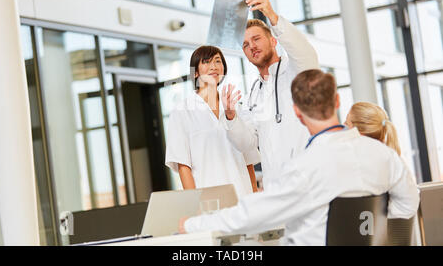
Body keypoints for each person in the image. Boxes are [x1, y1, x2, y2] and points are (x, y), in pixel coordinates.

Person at [179, 69, 419, 246]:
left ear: (297, 112)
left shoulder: (305, 168)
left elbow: (252, 214)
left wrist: (191, 225)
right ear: (336, 102)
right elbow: (409, 201)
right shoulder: (385, 156)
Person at [221, 0, 319, 190]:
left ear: (274, 40)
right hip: (276, 189)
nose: (252, 47)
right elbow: (246, 143)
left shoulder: (296, 71)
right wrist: (231, 117)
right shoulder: (254, 94)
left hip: (308, 183)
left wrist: (272, 16)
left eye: (257, 39)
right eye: (246, 45)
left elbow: (304, 52)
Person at [165, 46, 259, 199]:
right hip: (209, 201)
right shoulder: (182, 111)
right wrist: (195, 206)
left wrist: (255, 196)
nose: (214, 67)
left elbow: (248, 159)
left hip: (243, 196)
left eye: (217, 61)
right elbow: (183, 166)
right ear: (195, 72)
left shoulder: (236, 107)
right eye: (206, 62)